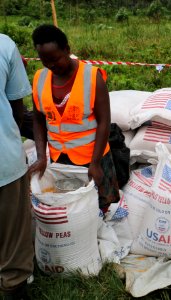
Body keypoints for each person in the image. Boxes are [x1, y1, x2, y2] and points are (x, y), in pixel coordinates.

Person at [28, 25, 119, 213]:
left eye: (55, 59)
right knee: (69, 206)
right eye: (45, 61)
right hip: (60, 158)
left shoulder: (92, 77)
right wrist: (41, 157)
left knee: (100, 204)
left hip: (93, 157)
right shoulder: (39, 78)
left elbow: (104, 122)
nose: (51, 66)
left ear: (67, 50)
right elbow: (38, 119)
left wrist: (95, 163)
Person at [0, 34, 34, 300]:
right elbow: (17, 108)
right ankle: (13, 287)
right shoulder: (4, 45)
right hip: (5, 159)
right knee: (13, 233)